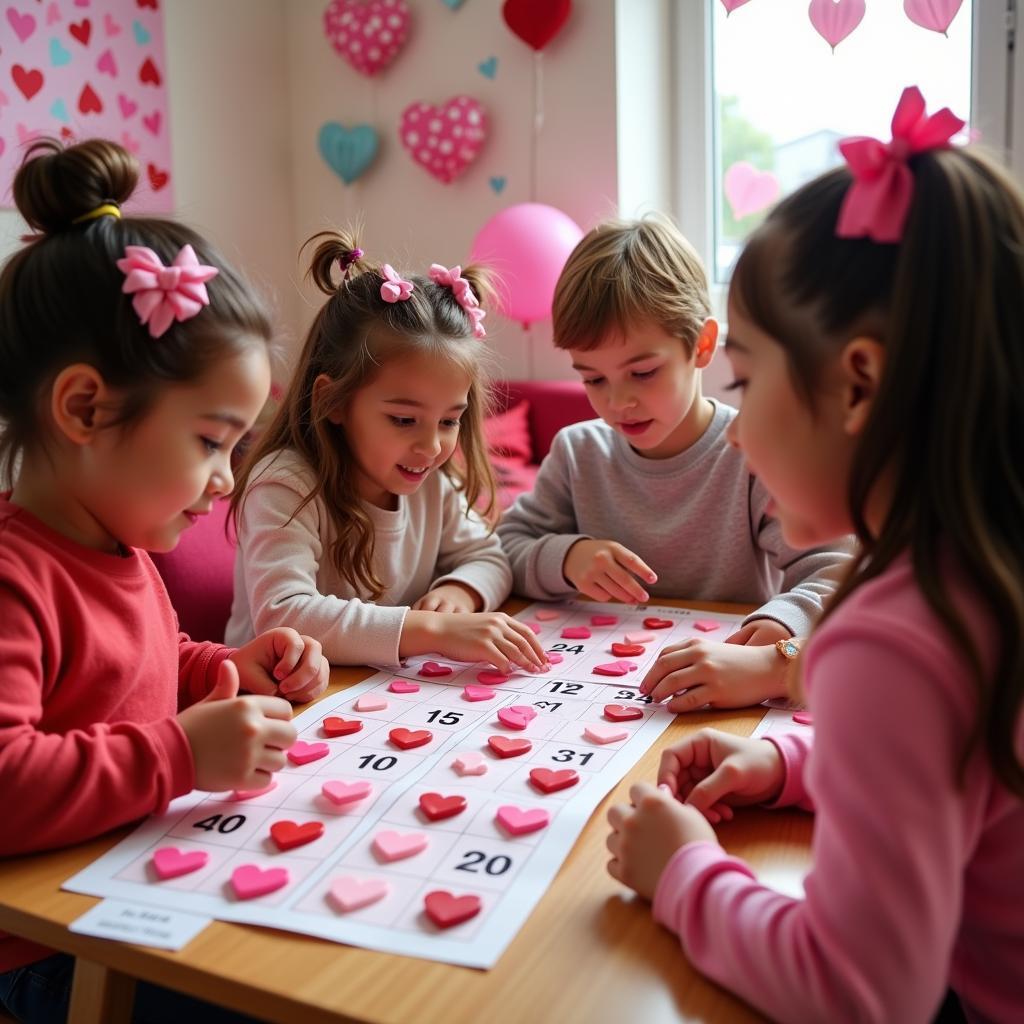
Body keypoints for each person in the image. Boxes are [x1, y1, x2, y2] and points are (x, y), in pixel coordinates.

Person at [606, 87, 1024, 1022]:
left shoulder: (892, 636)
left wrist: (683, 873)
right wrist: (795, 763)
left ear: (860, 384)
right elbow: (961, 766)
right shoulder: (983, 564)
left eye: (746, 380)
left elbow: (861, 991)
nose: (738, 429)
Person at [0, 139, 328, 1022]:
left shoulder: (121, 545)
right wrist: (181, 752)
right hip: (47, 950)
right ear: (83, 409)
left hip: (133, 886)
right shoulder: (12, 578)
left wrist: (219, 665)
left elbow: (124, 669)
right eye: (209, 442)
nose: (226, 481)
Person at [497, 215, 852, 710]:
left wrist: (784, 625)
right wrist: (568, 556)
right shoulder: (579, 452)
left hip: (726, 680)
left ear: (702, 346)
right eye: (593, 379)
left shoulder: (753, 453)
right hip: (601, 686)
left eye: (642, 372)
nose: (618, 402)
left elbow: (837, 569)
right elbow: (506, 548)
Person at [226, 231, 547, 675]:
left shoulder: (431, 482)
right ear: (332, 402)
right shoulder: (284, 483)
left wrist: (460, 592)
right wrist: (430, 630)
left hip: (369, 691)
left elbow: (489, 556)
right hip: (274, 700)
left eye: (449, 421)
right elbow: (283, 614)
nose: (432, 447)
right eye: (403, 419)